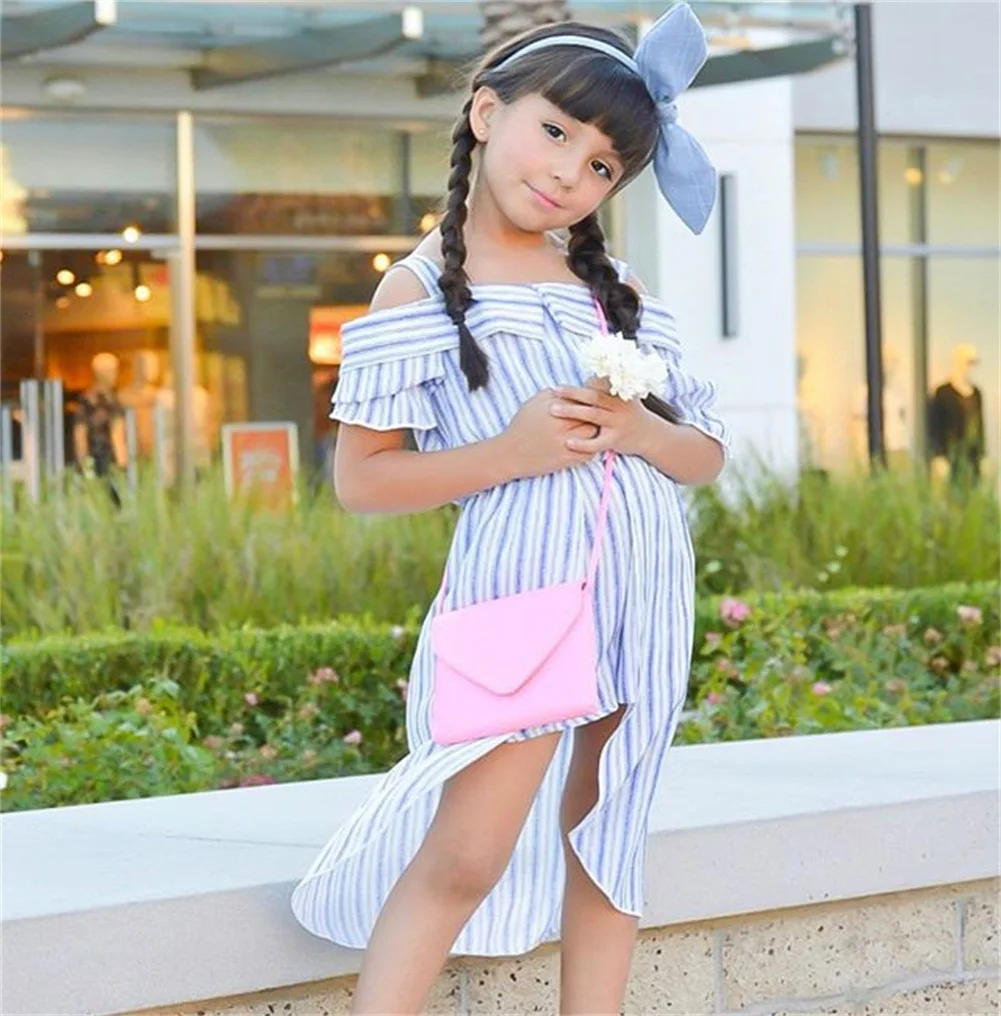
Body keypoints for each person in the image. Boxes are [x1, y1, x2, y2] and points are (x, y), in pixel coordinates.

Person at [290, 7, 730, 1013]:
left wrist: (638, 429)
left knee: (606, 836)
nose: (569, 171)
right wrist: (511, 453)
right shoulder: (417, 290)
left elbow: (702, 454)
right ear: (487, 114)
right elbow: (362, 481)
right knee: (467, 852)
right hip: (519, 595)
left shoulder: (612, 288)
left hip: (641, 590)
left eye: (602, 164)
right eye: (555, 131)